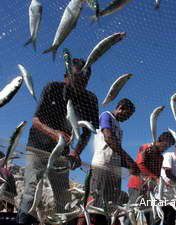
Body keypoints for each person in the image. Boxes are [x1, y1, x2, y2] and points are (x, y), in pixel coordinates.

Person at [16, 58, 100, 225]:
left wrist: (76, 152)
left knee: (63, 196)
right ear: (66, 76)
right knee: (31, 192)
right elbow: (36, 120)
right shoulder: (52, 88)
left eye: (85, 79)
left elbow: (87, 131)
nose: (80, 82)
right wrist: (55, 134)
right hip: (37, 148)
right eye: (77, 78)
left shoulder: (90, 99)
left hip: (62, 154)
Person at [81, 98, 139, 225]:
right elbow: (108, 139)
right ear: (120, 108)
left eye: (129, 117)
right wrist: (129, 160)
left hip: (114, 172)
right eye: (126, 114)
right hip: (102, 166)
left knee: (110, 206)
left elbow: (116, 152)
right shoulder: (106, 116)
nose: (127, 118)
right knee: (95, 206)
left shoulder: (119, 128)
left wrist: (130, 166)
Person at [126, 131, 176, 225]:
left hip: (150, 190)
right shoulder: (146, 147)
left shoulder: (160, 158)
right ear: (160, 141)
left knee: (151, 216)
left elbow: (157, 175)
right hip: (137, 185)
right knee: (132, 213)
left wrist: (163, 182)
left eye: (168, 147)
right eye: (165, 145)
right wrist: (155, 178)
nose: (165, 148)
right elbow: (140, 165)